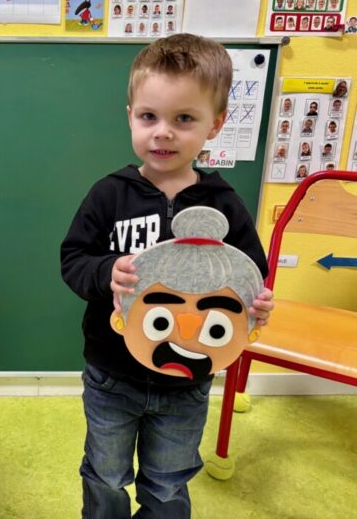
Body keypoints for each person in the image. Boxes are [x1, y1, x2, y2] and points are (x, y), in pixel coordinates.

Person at [60, 34, 273, 519]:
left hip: (188, 379)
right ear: (130, 116)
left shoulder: (225, 204)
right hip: (112, 374)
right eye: (149, 117)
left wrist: (257, 303)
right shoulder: (109, 194)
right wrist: (106, 271)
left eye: (184, 119)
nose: (163, 133)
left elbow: (251, 277)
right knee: (105, 474)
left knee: (168, 483)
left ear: (215, 124)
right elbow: (73, 259)